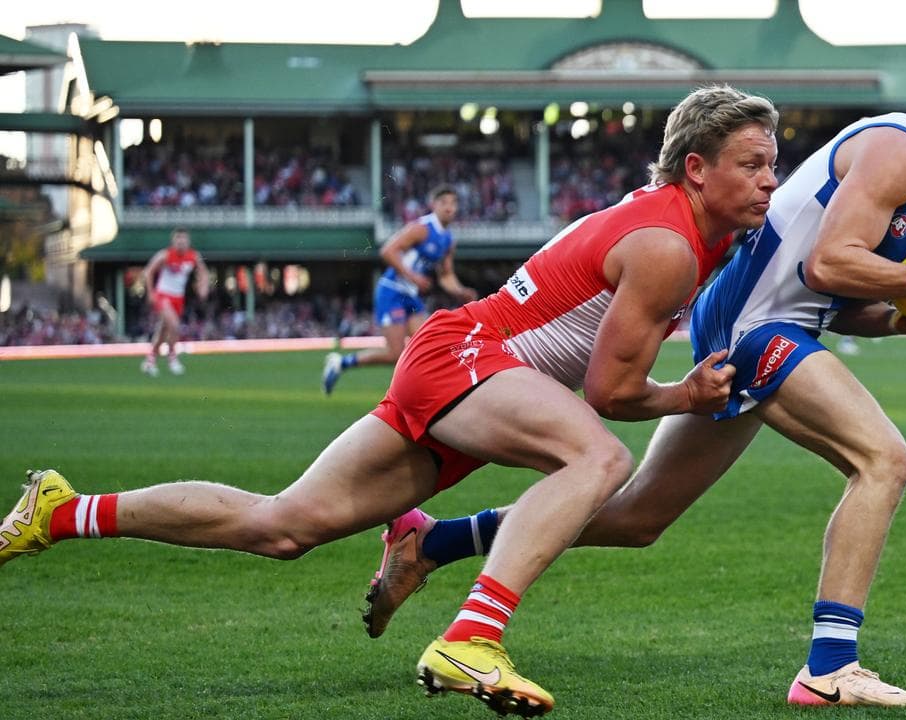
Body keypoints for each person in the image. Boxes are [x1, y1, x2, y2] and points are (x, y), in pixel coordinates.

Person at [0, 85, 780, 719]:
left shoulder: (693, 231)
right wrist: (684, 394)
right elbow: (610, 393)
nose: (770, 182)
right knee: (599, 459)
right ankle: (472, 637)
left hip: (471, 369)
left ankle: (62, 512)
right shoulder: (667, 245)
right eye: (752, 165)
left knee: (283, 526)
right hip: (469, 360)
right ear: (695, 169)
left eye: (774, 166)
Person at [361, 44, 906, 709]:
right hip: (756, 327)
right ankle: (830, 668)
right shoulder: (902, 150)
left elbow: (836, 302)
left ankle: (433, 542)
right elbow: (829, 263)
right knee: (884, 460)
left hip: (772, 325)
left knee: (639, 518)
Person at [323, 186, 476, 394]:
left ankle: (431, 393)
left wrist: (461, 291)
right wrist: (413, 277)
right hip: (392, 291)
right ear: (434, 205)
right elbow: (388, 251)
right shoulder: (421, 228)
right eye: (444, 202)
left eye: (453, 203)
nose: (449, 207)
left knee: (429, 344)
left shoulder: (448, 239)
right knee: (395, 353)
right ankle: (341, 363)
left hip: (410, 296)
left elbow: (445, 275)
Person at [140, 228, 209, 376]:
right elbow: (149, 271)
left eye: (184, 239)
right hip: (163, 295)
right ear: (173, 241)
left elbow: (203, 272)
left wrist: (203, 287)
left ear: (188, 241)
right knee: (175, 326)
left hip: (178, 297)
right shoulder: (165, 255)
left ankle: (150, 360)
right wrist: (150, 292)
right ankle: (172, 358)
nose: (181, 242)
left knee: (163, 331)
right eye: (178, 239)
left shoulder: (193, 256)